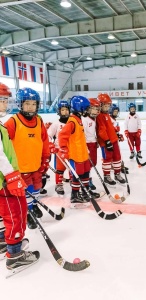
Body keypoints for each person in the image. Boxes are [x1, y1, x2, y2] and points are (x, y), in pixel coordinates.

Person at [0, 83, 39, 274]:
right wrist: (11, 174)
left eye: (6, 100)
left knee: (5, 214)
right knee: (15, 214)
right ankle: (14, 255)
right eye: (1, 100)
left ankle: (3, 241)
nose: (4, 105)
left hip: (5, 178)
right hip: (5, 180)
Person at [5, 88, 50, 230]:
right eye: (27, 104)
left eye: (33, 104)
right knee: (27, 191)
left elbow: (44, 140)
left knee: (37, 188)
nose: (31, 107)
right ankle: (27, 212)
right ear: (20, 104)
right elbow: (5, 145)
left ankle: (34, 205)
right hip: (21, 167)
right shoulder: (13, 122)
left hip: (36, 164)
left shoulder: (39, 120)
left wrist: (45, 159)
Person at [58, 96, 101, 208]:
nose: (87, 110)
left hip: (83, 154)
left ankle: (86, 191)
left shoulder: (79, 120)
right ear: (79, 108)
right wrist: (63, 149)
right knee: (78, 175)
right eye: (86, 108)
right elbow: (62, 135)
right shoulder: (72, 121)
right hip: (76, 155)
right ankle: (75, 194)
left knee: (86, 172)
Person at [96, 94, 125, 186]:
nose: (107, 107)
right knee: (107, 159)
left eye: (108, 105)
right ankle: (107, 176)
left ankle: (117, 174)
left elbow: (111, 127)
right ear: (100, 105)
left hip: (113, 140)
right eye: (105, 105)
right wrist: (107, 141)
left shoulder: (107, 115)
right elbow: (101, 130)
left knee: (117, 157)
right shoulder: (99, 116)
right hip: (106, 142)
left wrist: (117, 133)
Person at [47, 99, 70, 196]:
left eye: (67, 109)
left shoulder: (72, 122)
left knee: (72, 168)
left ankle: (74, 182)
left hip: (71, 150)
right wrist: (50, 144)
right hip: (59, 150)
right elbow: (48, 135)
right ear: (59, 111)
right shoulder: (56, 124)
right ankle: (59, 184)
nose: (65, 112)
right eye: (63, 110)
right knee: (59, 169)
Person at [82, 98, 101, 190]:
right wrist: (85, 146)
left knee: (93, 162)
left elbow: (93, 131)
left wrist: (96, 140)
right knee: (87, 164)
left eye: (97, 108)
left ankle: (87, 178)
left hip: (93, 143)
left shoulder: (95, 119)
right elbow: (82, 134)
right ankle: (86, 179)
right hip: (87, 144)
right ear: (88, 108)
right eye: (94, 108)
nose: (97, 110)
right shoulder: (84, 119)